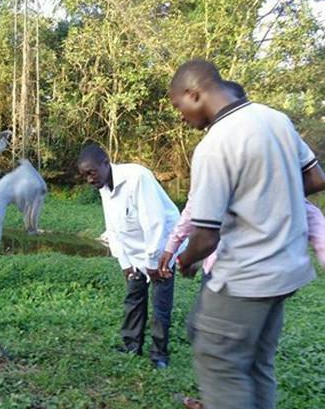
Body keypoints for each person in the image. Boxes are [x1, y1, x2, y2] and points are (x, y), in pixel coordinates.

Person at [168, 59, 325, 409]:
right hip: (286, 273)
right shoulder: (275, 119)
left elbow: (205, 237)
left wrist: (186, 260)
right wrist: (269, 198)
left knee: (219, 362)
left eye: (178, 106)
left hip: (245, 277)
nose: (180, 116)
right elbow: (316, 179)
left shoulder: (215, 145)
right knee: (256, 364)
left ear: (194, 93)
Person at [77, 143, 184, 369]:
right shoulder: (104, 187)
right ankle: (131, 346)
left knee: (160, 302)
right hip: (135, 250)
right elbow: (113, 228)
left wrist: (154, 263)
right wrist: (125, 263)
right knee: (134, 298)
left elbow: (154, 222)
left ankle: (159, 355)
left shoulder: (137, 178)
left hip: (162, 248)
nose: (89, 179)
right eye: (84, 175)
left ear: (106, 163)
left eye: (91, 172)